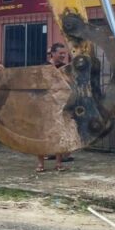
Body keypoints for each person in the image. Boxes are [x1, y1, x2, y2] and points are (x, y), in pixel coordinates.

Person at [38, 43, 71, 172]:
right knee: (42, 134)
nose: (63, 56)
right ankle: (40, 164)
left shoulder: (65, 68)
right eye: (60, 53)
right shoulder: (43, 67)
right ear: (52, 53)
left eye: (64, 53)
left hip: (60, 104)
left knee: (59, 133)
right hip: (44, 104)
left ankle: (59, 163)